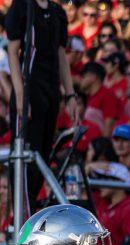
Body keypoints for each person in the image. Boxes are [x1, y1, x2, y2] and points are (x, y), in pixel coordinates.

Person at [5, 0, 81, 201]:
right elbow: (13, 51)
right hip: (30, 89)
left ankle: (29, 211)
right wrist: (20, 94)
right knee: (25, 159)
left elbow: (61, 55)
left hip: (51, 90)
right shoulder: (22, 7)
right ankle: (21, 214)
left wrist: (70, 94)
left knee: (43, 155)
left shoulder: (58, 12)